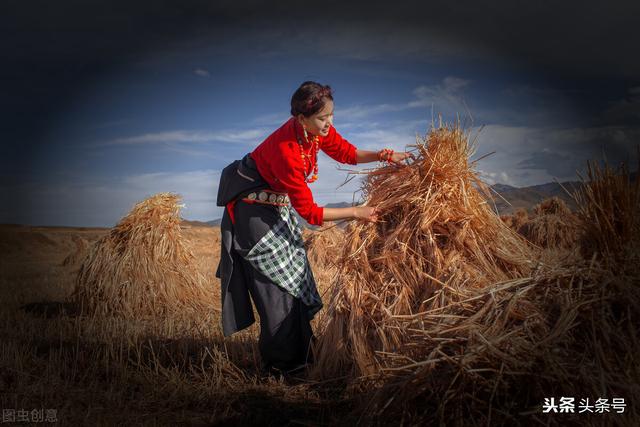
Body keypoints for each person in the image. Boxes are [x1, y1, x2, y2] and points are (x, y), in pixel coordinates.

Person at [215, 81, 411, 375]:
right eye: (323, 118)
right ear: (301, 118)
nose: (329, 124)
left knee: (296, 278)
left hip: (274, 207)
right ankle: (284, 366)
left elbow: (348, 153)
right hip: (252, 213)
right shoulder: (287, 150)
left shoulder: (317, 133)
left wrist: (385, 155)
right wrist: (356, 212)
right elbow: (309, 212)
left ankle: (304, 354)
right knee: (276, 285)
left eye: (332, 116)